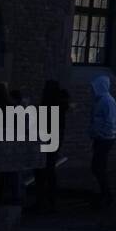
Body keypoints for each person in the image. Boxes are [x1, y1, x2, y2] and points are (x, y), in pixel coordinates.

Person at [32, 80, 69, 214]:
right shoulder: (60, 104)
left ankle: (41, 201)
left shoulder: (49, 105)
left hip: (47, 137)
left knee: (42, 170)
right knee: (49, 169)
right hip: (55, 137)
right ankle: (50, 201)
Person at [88, 74, 116, 209]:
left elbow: (110, 122)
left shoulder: (107, 101)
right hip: (101, 138)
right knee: (98, 167)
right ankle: (104, 194)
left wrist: (101, 134)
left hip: (104, 139)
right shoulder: (102, 100)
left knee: (98, 167)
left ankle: (106, 195)